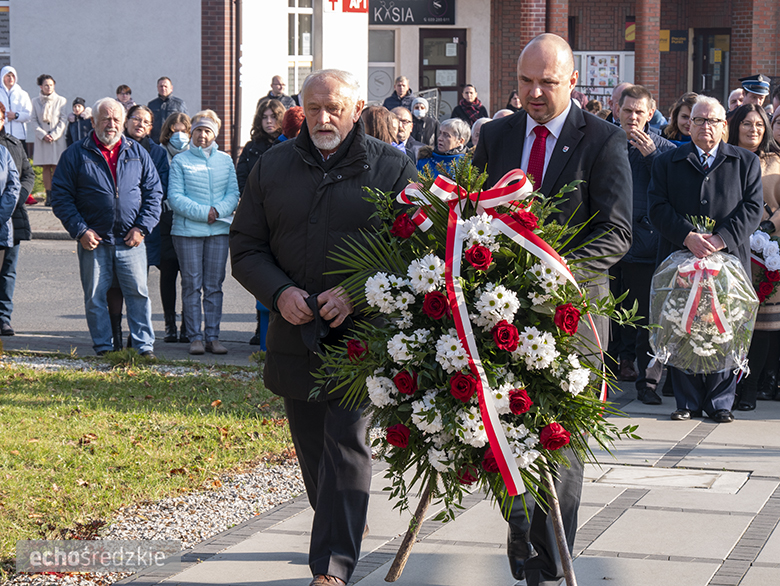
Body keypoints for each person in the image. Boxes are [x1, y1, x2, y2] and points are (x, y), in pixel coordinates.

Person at [230, 68, 416, 586]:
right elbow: (245, 247)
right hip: (294, 335)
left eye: (333, 108)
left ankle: (332, 566)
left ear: (357, 109)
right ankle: (332, 529)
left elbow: (415, 252)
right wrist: (279, 292)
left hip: (364, 338)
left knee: (346, 445)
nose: (323, 118)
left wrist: (358, 293)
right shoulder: (272, 166)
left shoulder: (393, 168)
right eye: (313, 109)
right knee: (314, 453)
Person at [473, 33, 632, 586]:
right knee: (501, 434)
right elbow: (469, 217)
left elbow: (617, 232)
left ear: (572, 82)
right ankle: (521, 528)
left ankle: (550, 560)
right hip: (501, 319)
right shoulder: (493, 136)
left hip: (573, 319)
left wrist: (553, 269)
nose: (535, 93)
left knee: (561, 444)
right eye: (525, 82)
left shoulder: (604, 141)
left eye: (547, 82)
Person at [649, 95, 763, 424]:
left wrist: (720, 239)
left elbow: (753, 209)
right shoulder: (668, 161)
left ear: (724, 126)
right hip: (680, 259)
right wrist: (687, 236)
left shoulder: (744, 162)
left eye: (712, 120)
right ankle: (686, 400)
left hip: (727, 260)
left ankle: (721, 400)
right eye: (698, 120)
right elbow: (656, 207)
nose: (705, 127)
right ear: (688, 124)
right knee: (682, 324)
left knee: (724, 327)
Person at [50, 98, 162, 357]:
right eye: (105, 119)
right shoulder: (76, 154)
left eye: (116, 120)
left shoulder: (137, 152)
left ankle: (143, 347)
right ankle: (103, 347)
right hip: (94, 239)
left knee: (138, 295)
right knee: (95, 297)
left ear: (123, 122)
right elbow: (61, 197)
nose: (111, 125)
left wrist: (142, 228)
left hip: (130, 239)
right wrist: (80, 230)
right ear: (93, 122)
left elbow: (154, 193)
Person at [610, 85, 676, 403]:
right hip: (605, 240)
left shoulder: (664, 149)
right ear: (616, 111)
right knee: (605, 313)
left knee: (643, 316)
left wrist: (652, 157)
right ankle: (602, 375)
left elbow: (673, 192)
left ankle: (646, 383)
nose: (633, 117)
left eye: (640, 111)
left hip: (645, 243)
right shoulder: (604, 142)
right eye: (627, 111)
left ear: (651, 113)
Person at [167, 110, 239, 356]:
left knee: (214, 286)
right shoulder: (180, 161)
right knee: (191, 285)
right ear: (191, 133)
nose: (202, 135)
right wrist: (204, 212)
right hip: (187, 232)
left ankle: (213, 337)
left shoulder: (225, 160)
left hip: (218, 229)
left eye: (207, 131)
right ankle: (195, 337)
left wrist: (217, 211)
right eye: (198, 130)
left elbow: (233, 193)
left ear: (214, 134)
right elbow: (175, 197)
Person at [726, 104, 780, 407]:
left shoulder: (776, 162)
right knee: (730, 321)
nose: (753, 130)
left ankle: (750, 389)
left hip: (767, 252)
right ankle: (726, 388)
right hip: (732, 246)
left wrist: (769, 226)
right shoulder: (726, 158)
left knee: (760, 326)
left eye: (759, 124)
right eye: (747, 123)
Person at [106, 105, 171, 351]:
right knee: (113, 285)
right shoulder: (114, 146)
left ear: (151, 127)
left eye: (146, 121)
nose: (140, 124)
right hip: (112, 229)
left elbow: (158, 188)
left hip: (142, 229)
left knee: (136, 285)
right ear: (126, 121)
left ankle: (136, 338)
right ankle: (115, 335)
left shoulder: (156, 153)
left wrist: (140, 221)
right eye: (135, 119)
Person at [158, 112, 192, 343]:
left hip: (189, 219)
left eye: (182, 131)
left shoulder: (193, 154)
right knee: (168, 273)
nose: (177, 136)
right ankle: (169, 323)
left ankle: (187, 324)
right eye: (173, 131)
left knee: (189, 276)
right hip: (165, 219)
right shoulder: (160, 154)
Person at [0, 101, 29, 336]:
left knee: (8, 270)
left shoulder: (14, 144)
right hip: (5, 212)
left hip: (12, 215)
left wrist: (17, 199)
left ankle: (3, 318)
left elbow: (26, 175)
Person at [31, 74, 68, 206]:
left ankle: (58, 195)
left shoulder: (61, 100)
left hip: (56, 139)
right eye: (46, 85)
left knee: (57, 167)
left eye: (51, 85)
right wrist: (43, 135)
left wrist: (54, 135)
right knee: (46, 167)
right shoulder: (35, 101)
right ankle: (49, 196)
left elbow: (63, 120)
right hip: (42, 140)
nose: (49, 87)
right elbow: (34, 121)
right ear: (41, 86)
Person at [236, 98, 284, 194]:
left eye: (273, 116)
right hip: (256, 201)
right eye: (264, 117)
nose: (269, 121)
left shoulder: (288, 145)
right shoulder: (251, 148)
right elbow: (241, 177)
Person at [148, 77, 188, 143]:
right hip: (155, 141)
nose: (163, 88)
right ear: (157, 88)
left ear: (171, 88)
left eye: (165, 86)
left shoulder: (179, 104)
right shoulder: (152, 105)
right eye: (161, 86)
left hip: (173, 141)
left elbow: (186, 123)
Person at [0, 66, 32, 143]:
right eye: (8, 75)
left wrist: (16, 115)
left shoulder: (22, 94)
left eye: (13, 76)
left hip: (19, 136)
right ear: (2, 77)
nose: (11, 78)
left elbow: (29, 115)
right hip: (2, 135)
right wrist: (7, 119)